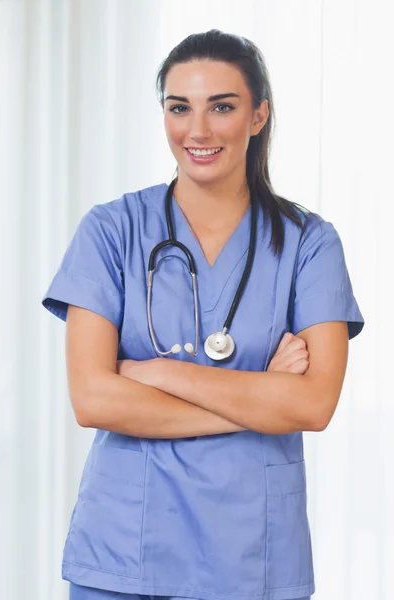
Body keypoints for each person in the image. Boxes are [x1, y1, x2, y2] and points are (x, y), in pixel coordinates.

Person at [42, 29, 364, 600]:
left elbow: (313, 405)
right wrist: (262, 397)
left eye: (222, 106)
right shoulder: (112, 230)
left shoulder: (309, 244)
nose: (198, 130)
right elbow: (94, 400)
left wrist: (158, 373)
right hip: (126, 549)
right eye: (178, 108)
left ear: (259, 115)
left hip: (253, 559)